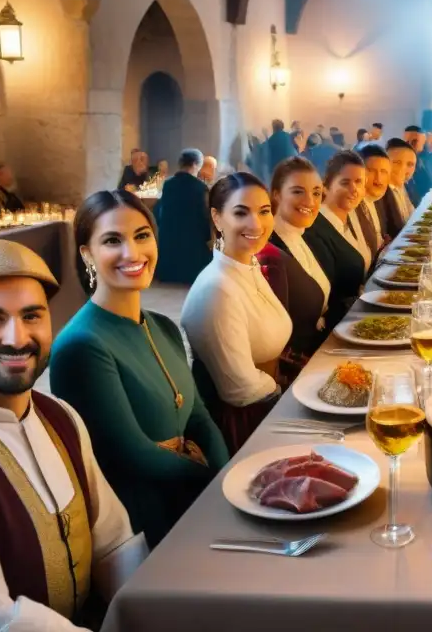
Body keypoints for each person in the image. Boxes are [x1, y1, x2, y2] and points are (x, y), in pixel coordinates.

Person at [0, 239, 145, 630]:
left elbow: (114, 542)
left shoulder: (60, 415)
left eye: (32, 316)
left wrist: (144, 613)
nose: (17, 338)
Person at [51, 190, 228, 548]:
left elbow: (199, 418)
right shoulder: (81, 345)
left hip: (191, 494)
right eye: (113, 240)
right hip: (143, 519)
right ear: (87, 253)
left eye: (142, 236)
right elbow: (133, 455)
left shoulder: (162, 325)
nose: (133, 253)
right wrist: (212, 478)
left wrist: (227, 478)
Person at [181, 173, 292, 455]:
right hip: (243, 427)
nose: (256, 224)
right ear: (217, 219)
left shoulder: (247, 265)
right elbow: (240, 389)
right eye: (241, 213)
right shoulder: (218, 288)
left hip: (267, 403)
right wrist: (285, 388)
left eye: (264, 211)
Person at [257, 158, 330, 380]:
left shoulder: (301, 235)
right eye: (298, 192)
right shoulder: (269, 250)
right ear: (277, 194)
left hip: (320, 352)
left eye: (316, 193)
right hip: (298, 372)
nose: (310, 200)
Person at [304, 151, 370, 329]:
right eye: (345, 182)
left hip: (355, 316)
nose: (354, 189)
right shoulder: (315, 229)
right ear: (326, 187)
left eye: (359, 182)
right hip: (338, 326)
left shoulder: (347, 220)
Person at [152, 148, 213, 285]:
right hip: (192, 248)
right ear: (195, 165)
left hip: (169, 245)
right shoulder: (200, 187)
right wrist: (209, 237)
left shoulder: (168, 184)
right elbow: (204, 216)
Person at [360, 144, 400, 245]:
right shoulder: (351, 206)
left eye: (383, 172)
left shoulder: (378, 201)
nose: (378, 178)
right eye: (371, 171)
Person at [387, 138, 418, 217]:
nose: (403, 169)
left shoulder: (404, 187)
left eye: (410, 164)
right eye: (397, 162)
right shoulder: (379, 195)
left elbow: (412, 215)